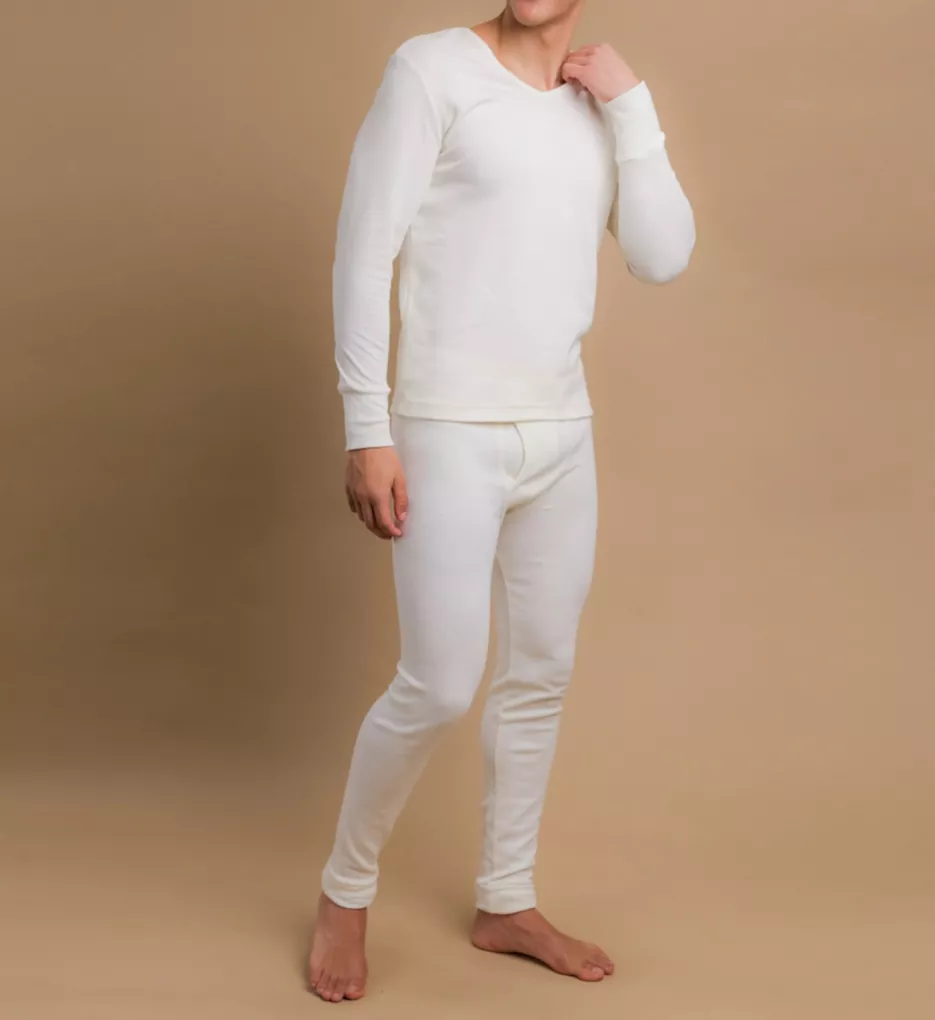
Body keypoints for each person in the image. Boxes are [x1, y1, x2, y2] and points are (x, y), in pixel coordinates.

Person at [309, 0, 695, 1003]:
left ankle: (505, 900)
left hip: (562, 436)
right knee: (439, 683)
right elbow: (364, 249)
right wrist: (366, 428)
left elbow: (660, 257)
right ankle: (345, 891)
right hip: (446, 430)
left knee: (539, 674)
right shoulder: (430, 70)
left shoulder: (596, 104)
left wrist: (631, 105)